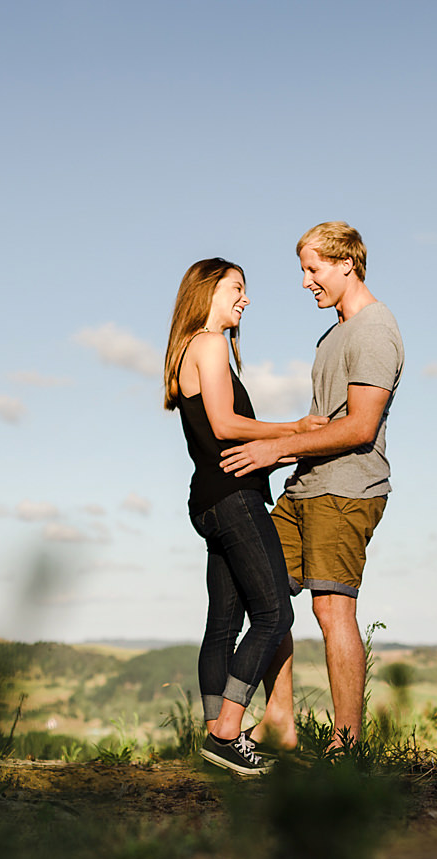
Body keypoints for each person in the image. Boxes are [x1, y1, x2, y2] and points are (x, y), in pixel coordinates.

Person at [220, 222, 404, 749]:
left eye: (313, 269)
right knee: (268, 595)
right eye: (304, 270)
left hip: (347, 490)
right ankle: (281, 723)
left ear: (347, 264)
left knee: (330, 607)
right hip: (304, 489)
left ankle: (347, 742)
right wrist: (279, 449)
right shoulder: (332, 335)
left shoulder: (374, 329)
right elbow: (323, 423)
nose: (306, 282)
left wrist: (274, 449)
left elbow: (360, 426)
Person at [164, 257, 328, 776]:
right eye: (237, 287)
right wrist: (297, 430)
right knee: (276, 613)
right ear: (207, 291)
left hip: (210, 500)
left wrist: (285, 448)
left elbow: (215, 436)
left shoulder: (187, 351)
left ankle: (216, 740)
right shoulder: (208, 343)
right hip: (234, 500)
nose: (246, 298)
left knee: (223, 624)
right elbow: (225, 423)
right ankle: (227, 733)